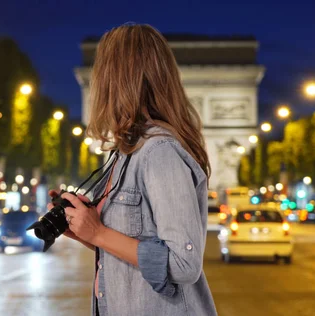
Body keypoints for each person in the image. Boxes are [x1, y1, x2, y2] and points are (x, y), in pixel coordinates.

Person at [49, 24, 217, 315]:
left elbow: (183, 264)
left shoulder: (159, 152)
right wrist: (88, 232)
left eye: (102, 72)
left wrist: (100, 233)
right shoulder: (127, 153)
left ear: (118, 80)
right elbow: (136, 253)